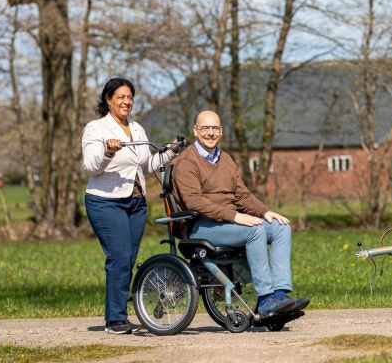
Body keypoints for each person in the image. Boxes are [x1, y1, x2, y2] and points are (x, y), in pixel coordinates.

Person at [171, 110, 309, 316]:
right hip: (200, 225)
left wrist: (265, 212)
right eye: (205, 128)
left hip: (226, 222)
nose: (210, 133)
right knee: (255, 230)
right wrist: (234, 216)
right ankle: (265, 299)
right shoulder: (186, 162)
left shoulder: (225, 158)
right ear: (196, 131)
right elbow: (195, 201)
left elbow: (241, 195)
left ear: (221, 131)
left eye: (215, 128)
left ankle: (280, 296)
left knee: (281, 227)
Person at [82, 78, 180, 334]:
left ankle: (119, 311)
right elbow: (91, 166)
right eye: (121, 97)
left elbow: (147, 165)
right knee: (120, 257)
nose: (127, 102)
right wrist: (108, 151)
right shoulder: (96, 128)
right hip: (105, 201)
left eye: (130, 97)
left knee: (128, 258)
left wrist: (170, 151)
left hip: (136, 201)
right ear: (108, 100)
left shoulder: (137, 129)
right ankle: (115, 319)